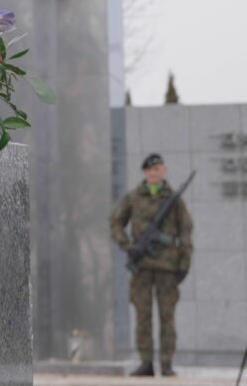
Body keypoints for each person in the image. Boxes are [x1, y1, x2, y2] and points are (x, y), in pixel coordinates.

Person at [110, 153, 193, 377]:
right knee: (142, 316)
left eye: (157, 169)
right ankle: (146, 362)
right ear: (145, 172)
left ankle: (166, 363)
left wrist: (185, 263)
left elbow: (185, 231)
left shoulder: (174, 199)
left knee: (167, 317)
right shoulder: (134, 197)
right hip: (142, 267)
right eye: (149, 169)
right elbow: (116, 222)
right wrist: (127, 246)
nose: (153, 173)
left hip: (167, 267)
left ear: (164, 170)